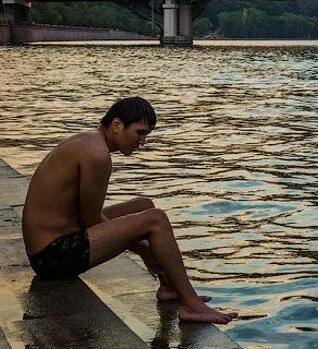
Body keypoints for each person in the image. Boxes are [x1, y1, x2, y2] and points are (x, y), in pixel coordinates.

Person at [20, 96, 236, 324]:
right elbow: (92, 221)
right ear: (116, 125)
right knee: (155, 220)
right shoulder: (98, 155)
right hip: (53, 256)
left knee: (144, 206)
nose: (142, 142)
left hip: (55, 245)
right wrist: (141, 248)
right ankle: (191, 305)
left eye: (146, 135)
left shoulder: (90, 141)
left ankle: (169, 287)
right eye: (139, 133)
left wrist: (137, 241)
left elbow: (85, 218)